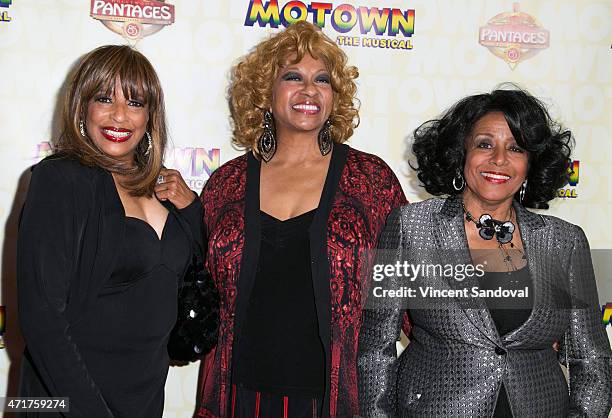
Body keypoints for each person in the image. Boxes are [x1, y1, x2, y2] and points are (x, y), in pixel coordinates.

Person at [358, 87, 612, 417]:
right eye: (484, 144)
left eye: (516, 148)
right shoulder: (411, 226)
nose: (499, 160)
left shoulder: (563, 242)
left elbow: (590, 357)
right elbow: (376, 346)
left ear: (531, 163)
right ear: (460, 152)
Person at [197, 22, 407, 418]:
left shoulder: (370, 181)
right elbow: (195, 280)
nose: (309, 90)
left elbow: (416, 284)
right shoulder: (226, 184)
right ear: (265, 92)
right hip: (236, 396)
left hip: (336, 399)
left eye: (322, 80)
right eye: (293, 76)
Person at [17, 45, 205, 417]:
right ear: (81, 107)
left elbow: (196, 273)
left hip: (144, 401)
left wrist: (192, 208)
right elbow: (43, 319)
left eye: (135, 103)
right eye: (104, 98)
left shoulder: (165, 190)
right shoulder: (60, 179)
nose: (119, 115)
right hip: (64, 404)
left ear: (150, 115)